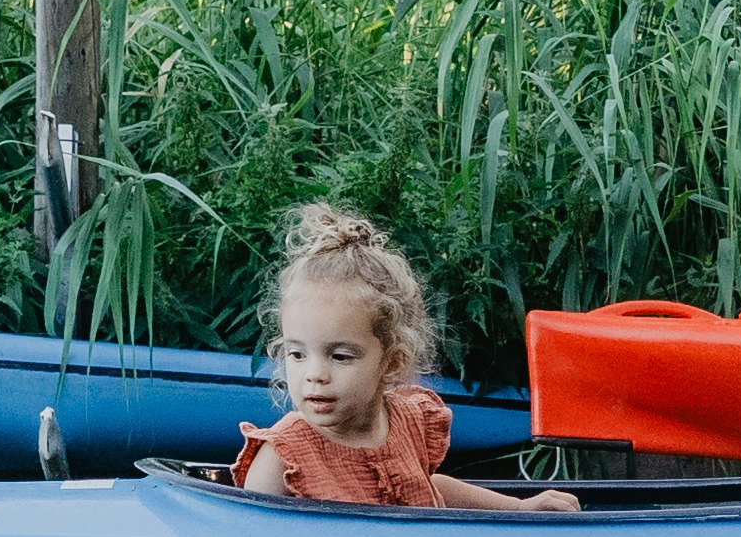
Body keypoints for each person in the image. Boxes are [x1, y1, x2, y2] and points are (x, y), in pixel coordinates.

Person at [232, 205, 578, 510]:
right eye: (297, 354)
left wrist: (519, 507)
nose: (315, 373)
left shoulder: (407, 419)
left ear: (392, 362)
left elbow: (428, 489)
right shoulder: (283, 455)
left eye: (339, 356)